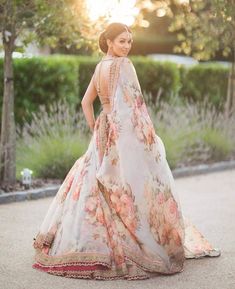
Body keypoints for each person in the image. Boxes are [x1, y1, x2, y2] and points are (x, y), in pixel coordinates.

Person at [32, 22, 221, 280]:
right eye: (121, 41)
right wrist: (147, 139)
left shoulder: (100, 67)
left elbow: (87, 102)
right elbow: (136, 108)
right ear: (109, 42)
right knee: (129, 186)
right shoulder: (124, 66)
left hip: (103, 131)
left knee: (97, 182)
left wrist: (96, 126)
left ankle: (85, 245)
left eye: (129, 41)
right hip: (123, 134)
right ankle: (132, 246)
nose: (127, 46)